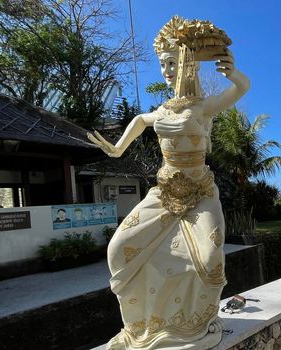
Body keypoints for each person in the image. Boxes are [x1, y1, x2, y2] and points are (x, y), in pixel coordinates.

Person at [87, 16, 249, 350]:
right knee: (119, 250)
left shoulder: (203, 108)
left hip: (200, 193)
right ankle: (141, 327)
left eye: (173, 63)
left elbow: (242, 89)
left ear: (188, 64)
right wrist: (117, 149)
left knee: (208, 260)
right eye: (163, 64)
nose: (167, 70)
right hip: (163, 193)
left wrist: (232, 73)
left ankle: (195, 324)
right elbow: (139, 120)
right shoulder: (161, 111)